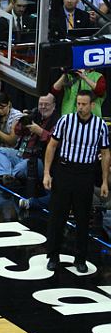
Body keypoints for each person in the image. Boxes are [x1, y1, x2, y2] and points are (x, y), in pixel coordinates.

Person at [43, 90, 110, 273]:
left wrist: (104, 181)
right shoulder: (65, 120)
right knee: (58, 216)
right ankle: (53, 256)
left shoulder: (100, 125)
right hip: (64, 170)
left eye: (84, 104)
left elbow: (105, 153)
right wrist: (47, 173)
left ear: (92, 105)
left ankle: (80, 258)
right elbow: (52, 145)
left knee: (82, 218)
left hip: (85, 174)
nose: (80, 107)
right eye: (78, 103)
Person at [0, 94, 58, 185]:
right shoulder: (35, 114)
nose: (43, 107)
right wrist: (23, 120)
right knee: (0, 152)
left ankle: (9, 177)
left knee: (21, 167)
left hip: (39, 160)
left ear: (54, 106)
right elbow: (17, 132)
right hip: (22, 154)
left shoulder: (58, 121)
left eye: (46, 104)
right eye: (41, 104)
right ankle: (6, 178)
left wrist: (40, 131)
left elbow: (56, 143)